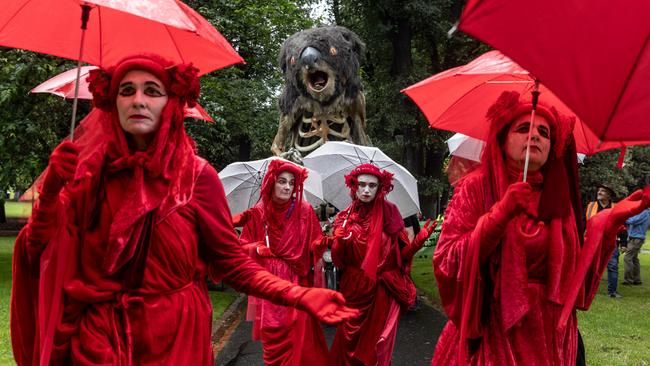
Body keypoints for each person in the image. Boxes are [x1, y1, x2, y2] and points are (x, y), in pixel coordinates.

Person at [10, 54, 358, 366]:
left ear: (172, 103)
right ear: (111, 102)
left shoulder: (196, 176)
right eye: (126, 90)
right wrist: (54, 188)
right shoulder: (88, 174)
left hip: (172, 338)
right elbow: (37, 249)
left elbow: (232, 263)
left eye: (152, 91)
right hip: (99, 341)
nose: (138, 101)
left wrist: (298, 294)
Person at [431, 91, 650, 366]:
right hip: (494, 330)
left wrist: (607, 223)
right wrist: (499, 215)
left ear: (552, 147)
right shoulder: (476, 188)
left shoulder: (557, 200)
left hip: (550, 335)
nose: (534, 136)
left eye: (544, 133)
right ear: (503, 138)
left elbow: (572, 282)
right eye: (523, 128)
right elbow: (447, 262)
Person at [321, 163, 436, 366]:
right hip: (354, 290)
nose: (366, 190)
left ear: (380, 188)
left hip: (381, 292)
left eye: (372, 185)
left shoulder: (390, 215)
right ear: (354, 186)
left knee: (375, 346)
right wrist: (339, 241)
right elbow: (339, 261)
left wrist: (417, 242)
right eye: (362, 184)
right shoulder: (344, 217)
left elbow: (402, 256)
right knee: (348, 343)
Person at [235, 159, 330, 365]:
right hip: (269, 289)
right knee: (273, 338)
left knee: (298, 339)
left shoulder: (304, 211)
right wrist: (256, 248)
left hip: (297, 285)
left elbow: (316, 245)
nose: (287, 187)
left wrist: (327, 240)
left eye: (291, 183)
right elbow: (241, 248)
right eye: (282, 181)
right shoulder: (259, 212)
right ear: (271, 182)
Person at [585, 183, 627, 298]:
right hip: (591, 242)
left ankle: (612, 292)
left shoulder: (616, 208)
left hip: (610, 242)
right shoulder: (590, 206)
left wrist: (624, 243)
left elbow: (622, 225)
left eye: (602, 191)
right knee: (588, 267)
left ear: (609, 195)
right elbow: (583, 223)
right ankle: (586, 290)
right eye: (599, 190)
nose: (599, 192)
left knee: (612, 266)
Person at [622, 207, 650, 285]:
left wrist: (624, 217)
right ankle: (636, 280)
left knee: (627, 257)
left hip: (637, 238)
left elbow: (633, 221)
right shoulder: (643, 211)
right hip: (635, 237)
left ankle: (628, 280)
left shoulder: (644, 212)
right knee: (634, 258)